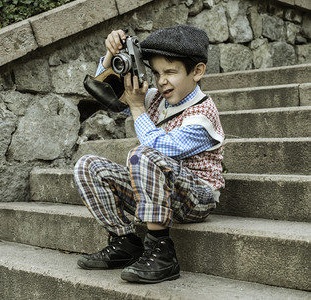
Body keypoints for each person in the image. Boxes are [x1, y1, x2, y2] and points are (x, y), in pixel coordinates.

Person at [74, 24, 225, 284]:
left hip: (197, 197)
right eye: (155, 73)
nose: (161, 80)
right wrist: (111, 56)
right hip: (159, 192)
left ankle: (161, 250)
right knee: (87, 165)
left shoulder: (203, 114)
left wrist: (136, 107)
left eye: (170, 72)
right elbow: (106, 92)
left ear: (197, 71)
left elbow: (156, 147)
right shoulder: (156, 98)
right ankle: (125, 241)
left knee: (142, 154)